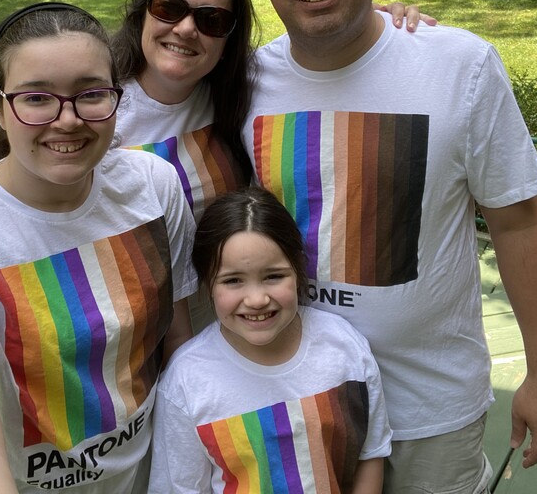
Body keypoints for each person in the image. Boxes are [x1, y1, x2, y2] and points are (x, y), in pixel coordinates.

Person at [0, 0, 433, 321]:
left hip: (231, 326)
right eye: (170, 7)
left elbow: (331, 63)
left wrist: (372, 18)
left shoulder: (248, 93)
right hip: (120, 336)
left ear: (228, 38)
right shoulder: (87, 106)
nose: (186, 28)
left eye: (211, 20)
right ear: (143, 12)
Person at [245, 0, 537, 493]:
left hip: (432, 409)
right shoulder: (247, 84)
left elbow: (519, 221)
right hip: (295, 399)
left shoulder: (459, 65)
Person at [0, 2, 197, 493]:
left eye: (91, 94)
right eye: (37, 98)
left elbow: (176, 338)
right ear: (0, 106)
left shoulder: (154, 187)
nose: (68, 119)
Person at [149, 186, 392, 493]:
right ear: (207, 284)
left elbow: (371, 454)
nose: (257, 299)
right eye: (233, 280)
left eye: (274, 276)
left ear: (298, 269)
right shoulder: (186, 381)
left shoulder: (344, 346)